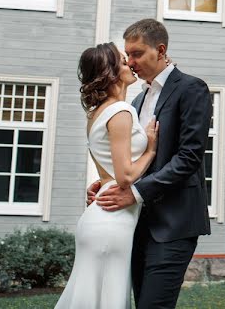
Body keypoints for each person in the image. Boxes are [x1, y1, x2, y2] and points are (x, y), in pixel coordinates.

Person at [90, 18, 212, 309]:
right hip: (134, 224)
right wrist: (107, 183)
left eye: (137, 54)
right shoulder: (137, 101)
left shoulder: (192, 89)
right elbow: (134, 159)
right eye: (127, 55)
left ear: (160, 50)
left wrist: (134, 192)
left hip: (174, 223)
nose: (130, 62)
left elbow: (189, 156)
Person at [56, 42, 159, 309]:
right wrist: (150, 149)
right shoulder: (120, 111)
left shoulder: (97, 113)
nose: (131, 65)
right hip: (112, 220)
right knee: (108, 299)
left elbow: (108, 172)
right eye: (124, 62)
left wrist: (99, 185)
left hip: (102, 214)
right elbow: (125, 177)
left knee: (90, 297)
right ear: (111, 72)